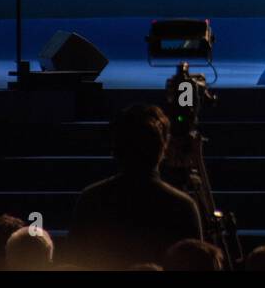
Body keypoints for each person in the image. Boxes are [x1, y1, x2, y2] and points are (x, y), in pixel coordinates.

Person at [69, 104, 203, 269]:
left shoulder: (90, 201)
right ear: (163, 148)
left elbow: (74, 261)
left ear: (115, 149)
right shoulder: (183, 207)